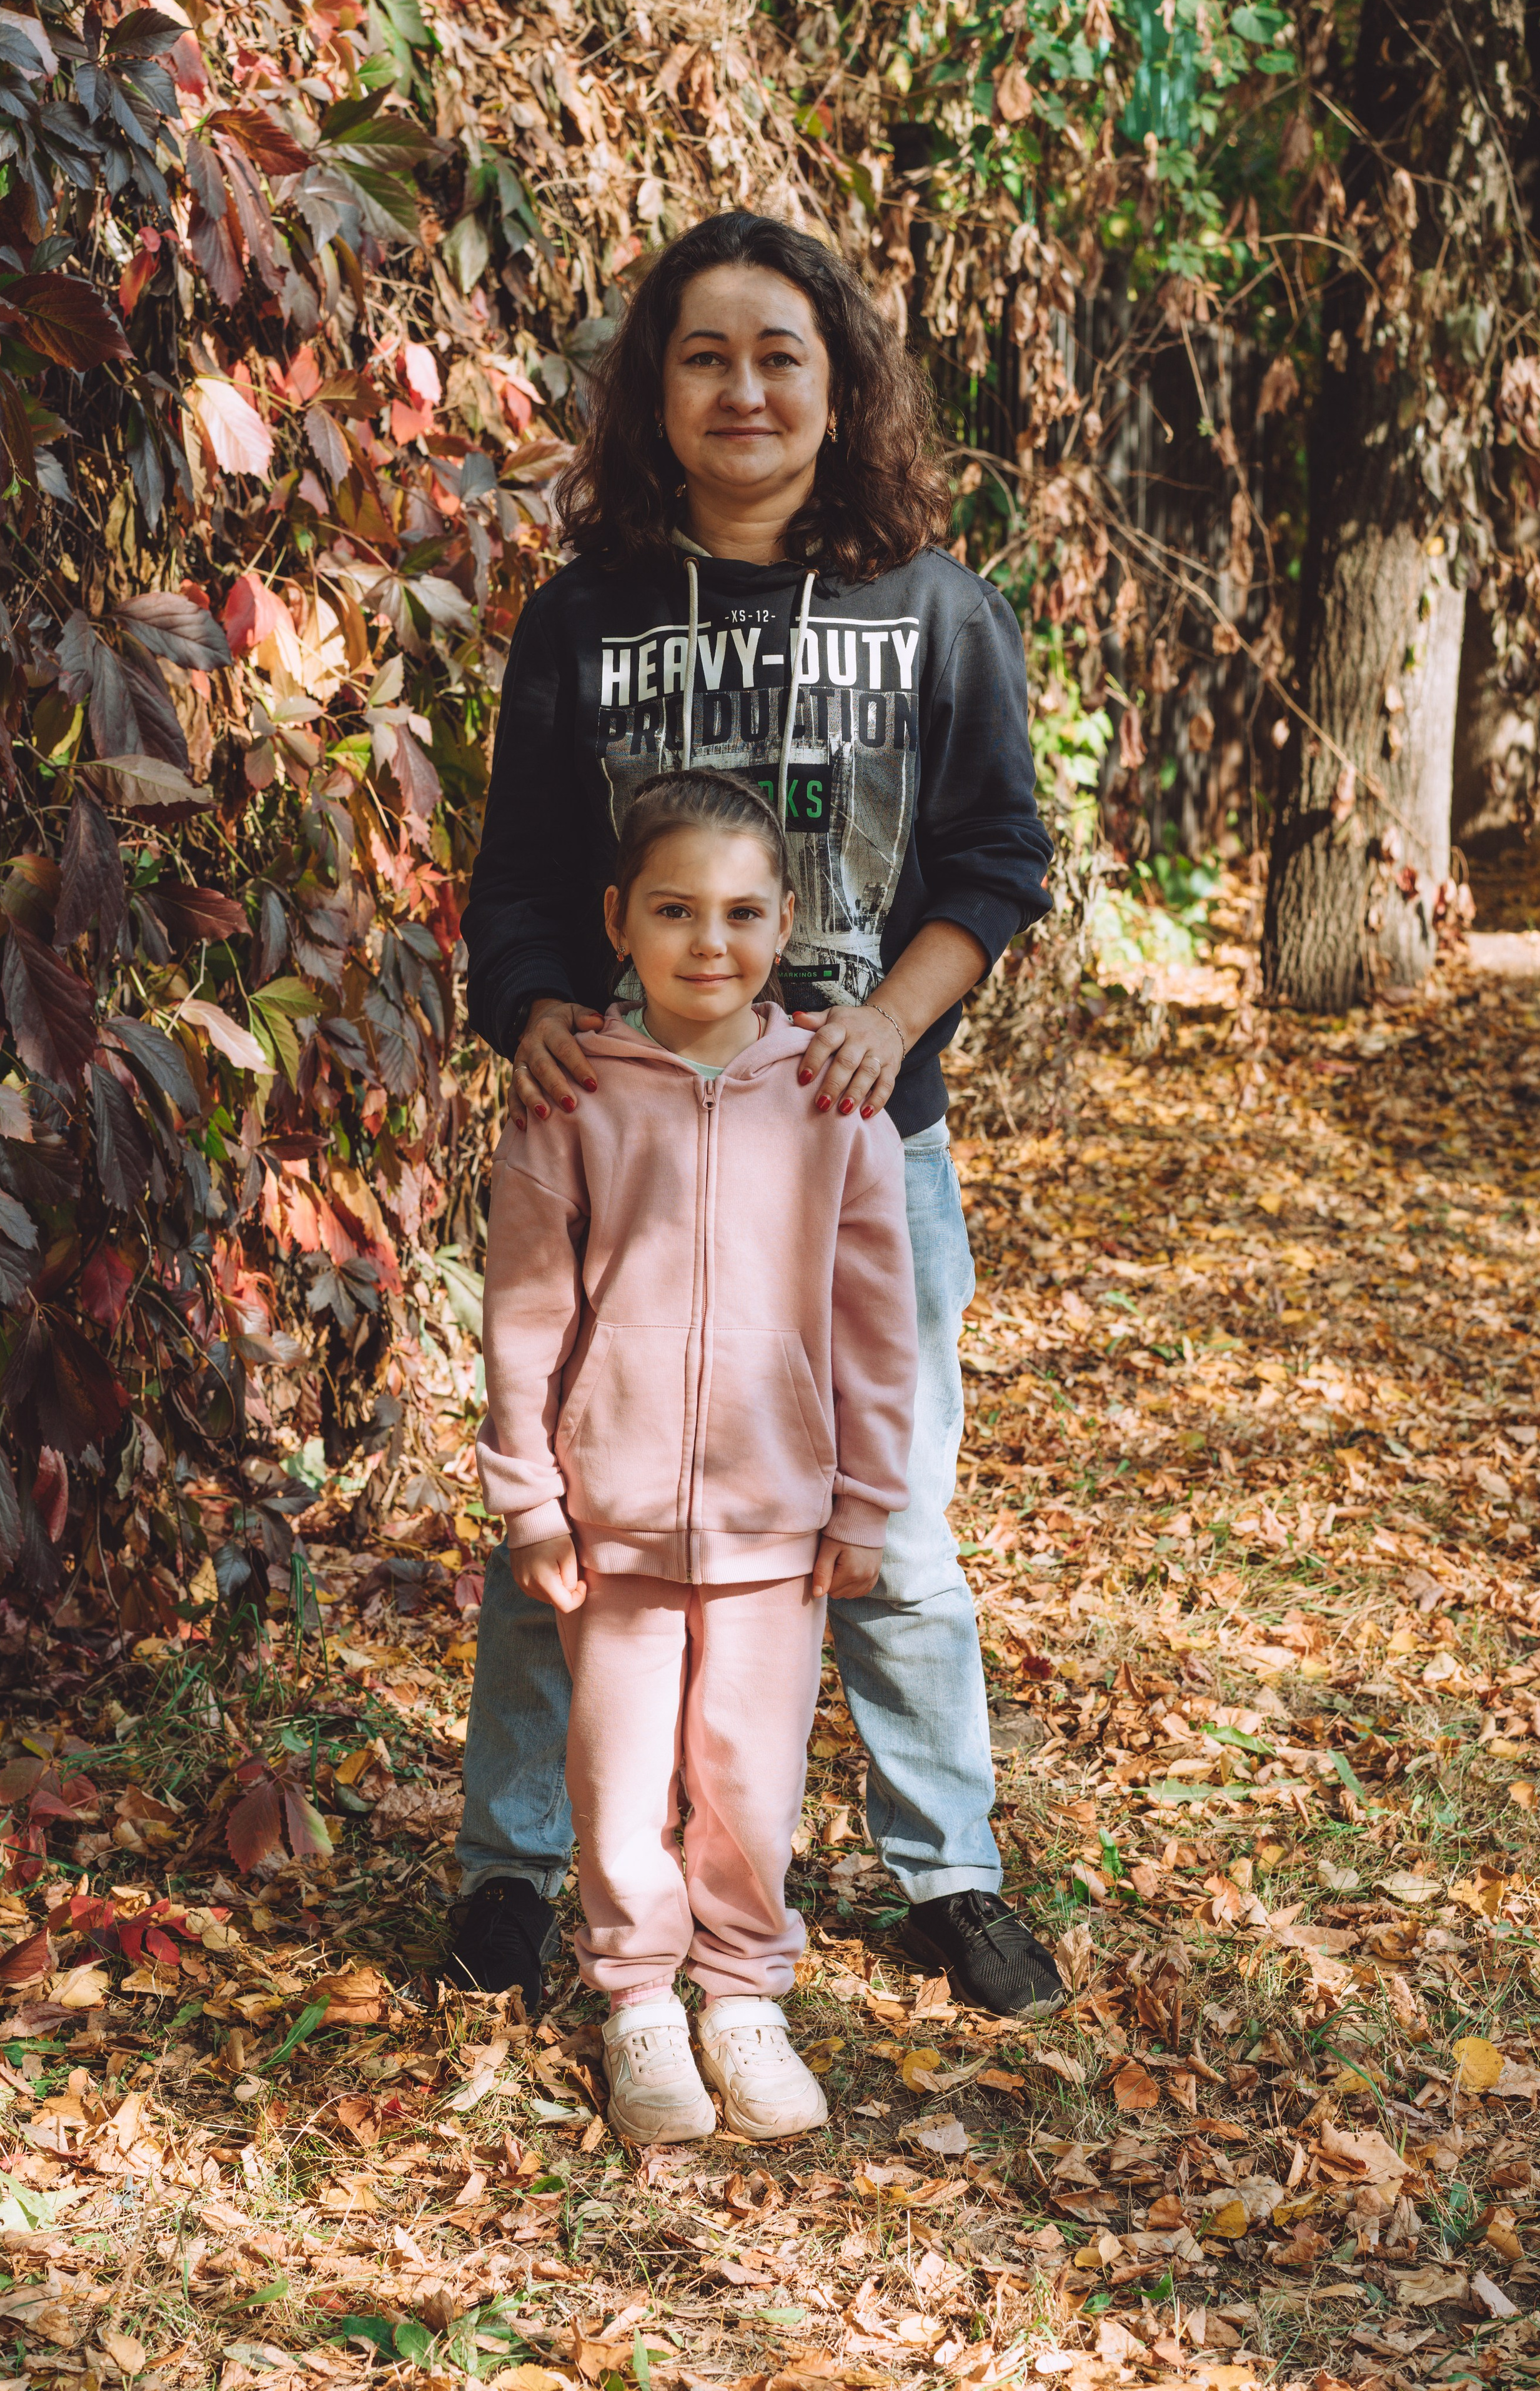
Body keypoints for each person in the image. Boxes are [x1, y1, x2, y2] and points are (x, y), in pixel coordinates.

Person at [452, 206, 1065, 2021]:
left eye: (778, 353)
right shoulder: (587, 617)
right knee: (574, 1506)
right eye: (703, 353)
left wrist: (886, 1016)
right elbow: (524, 884)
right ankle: (507, 1870)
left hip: (857, 1151)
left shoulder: (936, 611)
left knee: (891, 1525)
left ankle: (947, 1872)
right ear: (656, 389)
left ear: (838, 384)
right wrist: (537, 1014)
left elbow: (998, 865)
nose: (742, 387)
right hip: (630, 1151)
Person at [477, 770, 917, 2140]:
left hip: (775, 1515)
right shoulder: (570, 1099)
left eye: (737, 913)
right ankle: (640, 2008)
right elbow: (523, 1319)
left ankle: (741, 1996)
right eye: (673, 911)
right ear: (618, 921)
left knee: (746, 1777)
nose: (706, 943)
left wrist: (864, 1499)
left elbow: (875, 1327)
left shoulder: (835, 1103)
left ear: (783, 924)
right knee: (615, 1778)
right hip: (608, 1522)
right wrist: (531, 1499)